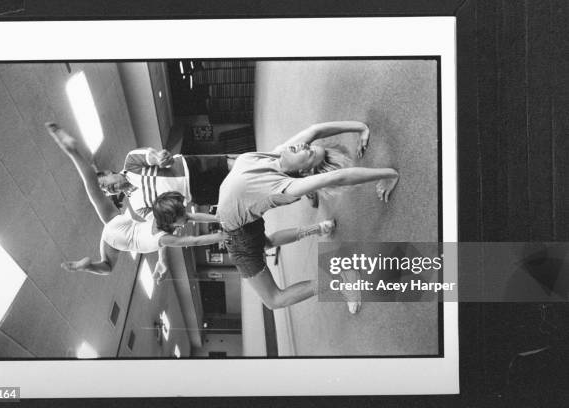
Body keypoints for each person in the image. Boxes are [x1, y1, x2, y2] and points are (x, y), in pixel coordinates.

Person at [215, 121, 400, 314]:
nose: (305, 146)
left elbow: (338, 177)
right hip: (244, 223)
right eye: (310, 147)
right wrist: (361, 127)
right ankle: (321, 228)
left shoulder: (283, 186)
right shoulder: (275, 155)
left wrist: (389, 174)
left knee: (274, 300)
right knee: (266, 243)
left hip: (237, 234)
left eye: (309, 153)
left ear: (304, 171)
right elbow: (315, 131)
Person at [45, 122, 225, 283]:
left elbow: (193, 239)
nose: (109, 191)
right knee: (93, 191)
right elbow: (185, 220)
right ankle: (72, 151)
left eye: (105, 185)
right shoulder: (144, 212)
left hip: (125, 233)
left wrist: (221, 235)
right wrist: (162, 260)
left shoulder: (163, 236)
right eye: (107, 192)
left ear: (108, 172)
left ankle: (72, 151)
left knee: (107, 266)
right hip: (120, 228)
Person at [97, 147, 238, 211]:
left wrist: (161, 159)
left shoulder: (131, 161)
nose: (107, 189)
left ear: (108, 172)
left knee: (236, 167)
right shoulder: (136, 205)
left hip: (193, 168)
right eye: (104, 192)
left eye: (103, 184)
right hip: (196, 195)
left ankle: (259, 164)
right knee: (236, 196)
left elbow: (154, 157)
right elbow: (163, 220)